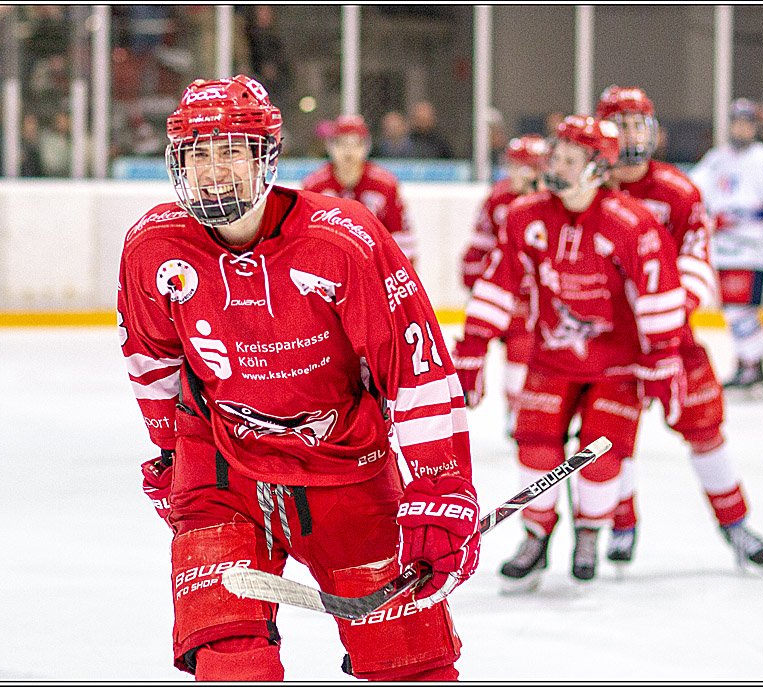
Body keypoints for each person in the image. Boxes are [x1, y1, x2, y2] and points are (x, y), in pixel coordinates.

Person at [117, 75, 478, 681]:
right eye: (198, 153)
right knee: (230, 660)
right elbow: (152, 357)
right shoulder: (153, 248)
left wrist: (441, 490)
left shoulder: (343, 239)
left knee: (410, 664)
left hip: (344, 461)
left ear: (266, 157)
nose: (214, 170)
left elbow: (416, 369)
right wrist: (167, 453)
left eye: (231, 150)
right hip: (222, 464)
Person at [453, 115, 687, 590]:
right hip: (550, 358)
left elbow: (659, 293)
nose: (553, 164)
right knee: (535, 447)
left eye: (568, 159)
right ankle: (536, 537)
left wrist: (664, 358)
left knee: (602, 454)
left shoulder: (631, 222)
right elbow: (499, 282)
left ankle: (589, 534)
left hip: (616, 365)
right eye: (554, 155)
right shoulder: (525, 215)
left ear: (598, 169)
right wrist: (474, 347)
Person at [597, 85, 763, 569]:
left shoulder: (677, 191)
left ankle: (735, 525)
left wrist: (668, 320)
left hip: (674, 340)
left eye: (638, 123)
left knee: (705, 429)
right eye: (620, 124)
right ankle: (621, 523)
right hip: (608, 343)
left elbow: (697, 262)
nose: (630, 134)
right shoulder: (587, 188)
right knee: (611, 439)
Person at [689, 98, 763, 399]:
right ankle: (751, 364)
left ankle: (753, 366)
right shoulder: (717, 159)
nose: (741, 128)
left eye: (747, 123)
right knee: (734, 309)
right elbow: (691, 189)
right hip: (723, 247)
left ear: (755, 126)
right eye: (737, 122)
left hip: (752, 248)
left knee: (741, 310)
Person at [459, 134, 549, 435]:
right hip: (507, 294)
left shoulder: (554, 201)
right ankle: (517, 411)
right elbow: (479, 244)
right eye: (515, 165)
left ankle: (531, 409)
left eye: (529, 167)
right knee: (518, 351)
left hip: (544, 294)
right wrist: (474, 281)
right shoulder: (498, 199)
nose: (520, 173)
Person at [302, 114, 417, 265]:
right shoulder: (315, 186)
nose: (348, 151)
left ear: (366, 147)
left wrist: (399, 279)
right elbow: (304, 237)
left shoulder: (384, 185)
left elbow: (401, 237)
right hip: (328, 271)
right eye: (341, 143)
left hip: (374, 270)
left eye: (356, 143)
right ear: (330, 146)